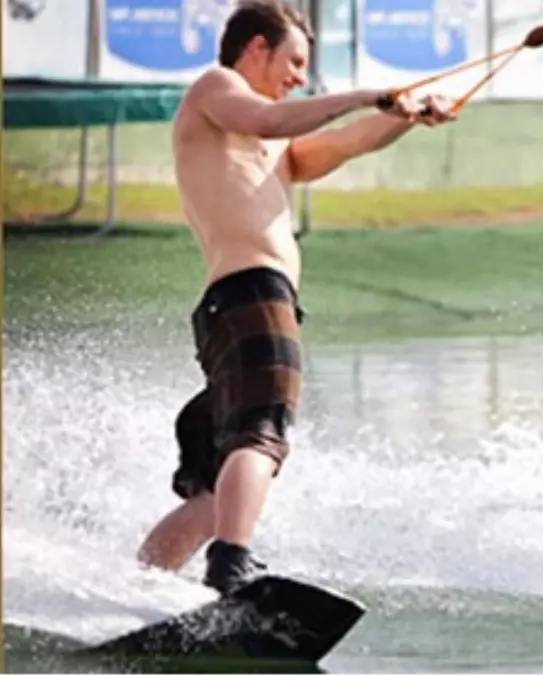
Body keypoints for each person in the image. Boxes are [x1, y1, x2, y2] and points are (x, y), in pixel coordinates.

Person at [135, 0, 459, 596]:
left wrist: (407, 116)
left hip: (233, 308)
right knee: (261, 434)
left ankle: (137, 587)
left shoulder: (270, 143)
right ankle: (232, 562)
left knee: (215, 488)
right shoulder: (219, 89)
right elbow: (272, 120)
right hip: (251, 295)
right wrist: (365, 93)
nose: (297, 78)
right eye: (293, 61)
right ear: (255, 47)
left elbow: (341, 146)